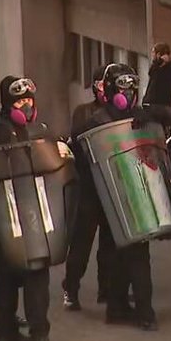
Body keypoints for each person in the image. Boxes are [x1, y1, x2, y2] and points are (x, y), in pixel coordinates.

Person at [77, 63, 158, 331]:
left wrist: (150, 116)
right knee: (116, 255)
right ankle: (118, 306)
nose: (127, 93)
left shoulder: (139, 116)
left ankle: (143, 311)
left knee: (134, 254)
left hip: (134, 191)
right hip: (109, 193)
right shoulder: (95, 121)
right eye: (122, 88)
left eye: (130, 88)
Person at [0, 76, 55, 341]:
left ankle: (22, 332)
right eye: (20, 101)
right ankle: (20, 332)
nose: (26, 106)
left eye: (29, 101)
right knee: (14, 272)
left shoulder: (34, 129)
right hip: (9, 206)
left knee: (27, 271)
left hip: (31, 205)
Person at [62, 68, 112, 311]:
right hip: (88, 187)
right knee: (81, 243)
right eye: (100, 85)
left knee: (110, 244)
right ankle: (71, 289)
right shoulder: (84, 112)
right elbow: (77, 141)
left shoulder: (117, 112)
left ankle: (107, 289)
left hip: (112, 185)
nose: (104, 90)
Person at [144, 43, 171, 125]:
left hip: (161, 105)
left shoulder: (170, 66)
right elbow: (151, 72)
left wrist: (162, 62)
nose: (152, 55)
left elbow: (163, 75)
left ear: (158, 54)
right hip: (153, 105)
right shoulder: (156, 67)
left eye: (153, 53)